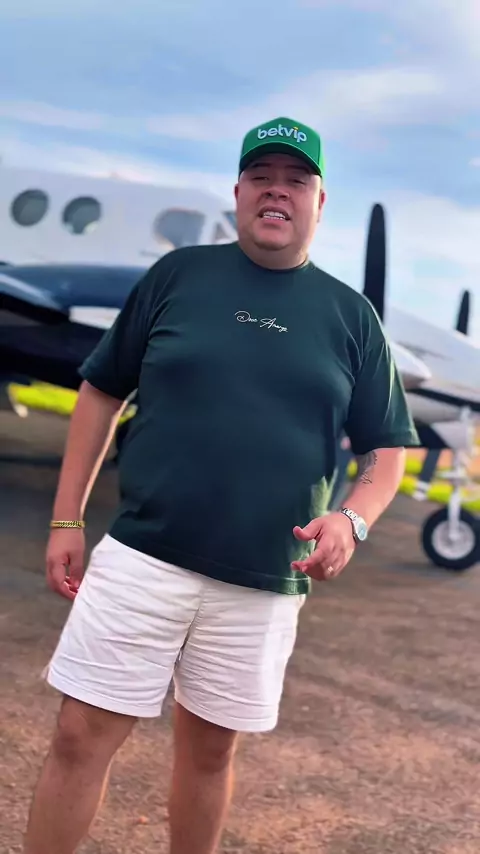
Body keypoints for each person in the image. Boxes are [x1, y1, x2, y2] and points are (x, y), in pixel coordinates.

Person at [23, 116, 419, 854]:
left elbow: (386, 453)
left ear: (320, 202)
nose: (277, 191)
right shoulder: (178, 276)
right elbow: (101, 392)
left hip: (263, 580)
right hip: (142, 558)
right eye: (261, 177)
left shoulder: (353, 318)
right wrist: (66, 519)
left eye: (295, 180)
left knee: (210, 753)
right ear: (238, 193)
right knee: (79, 735)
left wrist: (352, 520)